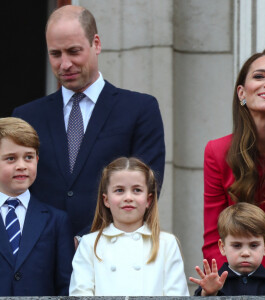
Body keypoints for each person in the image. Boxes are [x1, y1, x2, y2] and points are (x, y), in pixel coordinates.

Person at [12, 5, 165, 237]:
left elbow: (146, 187)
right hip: (41, 256)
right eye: (55, 54)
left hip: (111, 253)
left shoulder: (140, 110)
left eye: (74, 51)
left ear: (96, 44)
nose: (64, 64)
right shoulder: (26, 117)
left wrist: (91, 241)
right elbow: (14, 192)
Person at [202, 48, 265, 275]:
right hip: (240, 281)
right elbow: (213, 237)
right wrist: (233, 286)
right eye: (259, 76)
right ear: (241, 93)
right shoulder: (217, 151)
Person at [69, 157, 189, 296]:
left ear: (148, 200)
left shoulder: (166, 243)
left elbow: (176, 296)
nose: (128, 197)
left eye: (137, 190)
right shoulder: (89, 244)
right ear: (106, 200)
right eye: (119, 190)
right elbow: (80, 294)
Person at [0, 117, 74, 296]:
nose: (22, 166)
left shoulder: (57, 220)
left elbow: (66, 284)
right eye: (11, 158)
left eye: (28, 157)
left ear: (37, 160)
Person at [190, 203, 265, 296]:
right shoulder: (214, 282)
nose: (246, 253)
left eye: (253, 245)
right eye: (237, 245)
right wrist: (208, 293)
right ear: (222, 247)